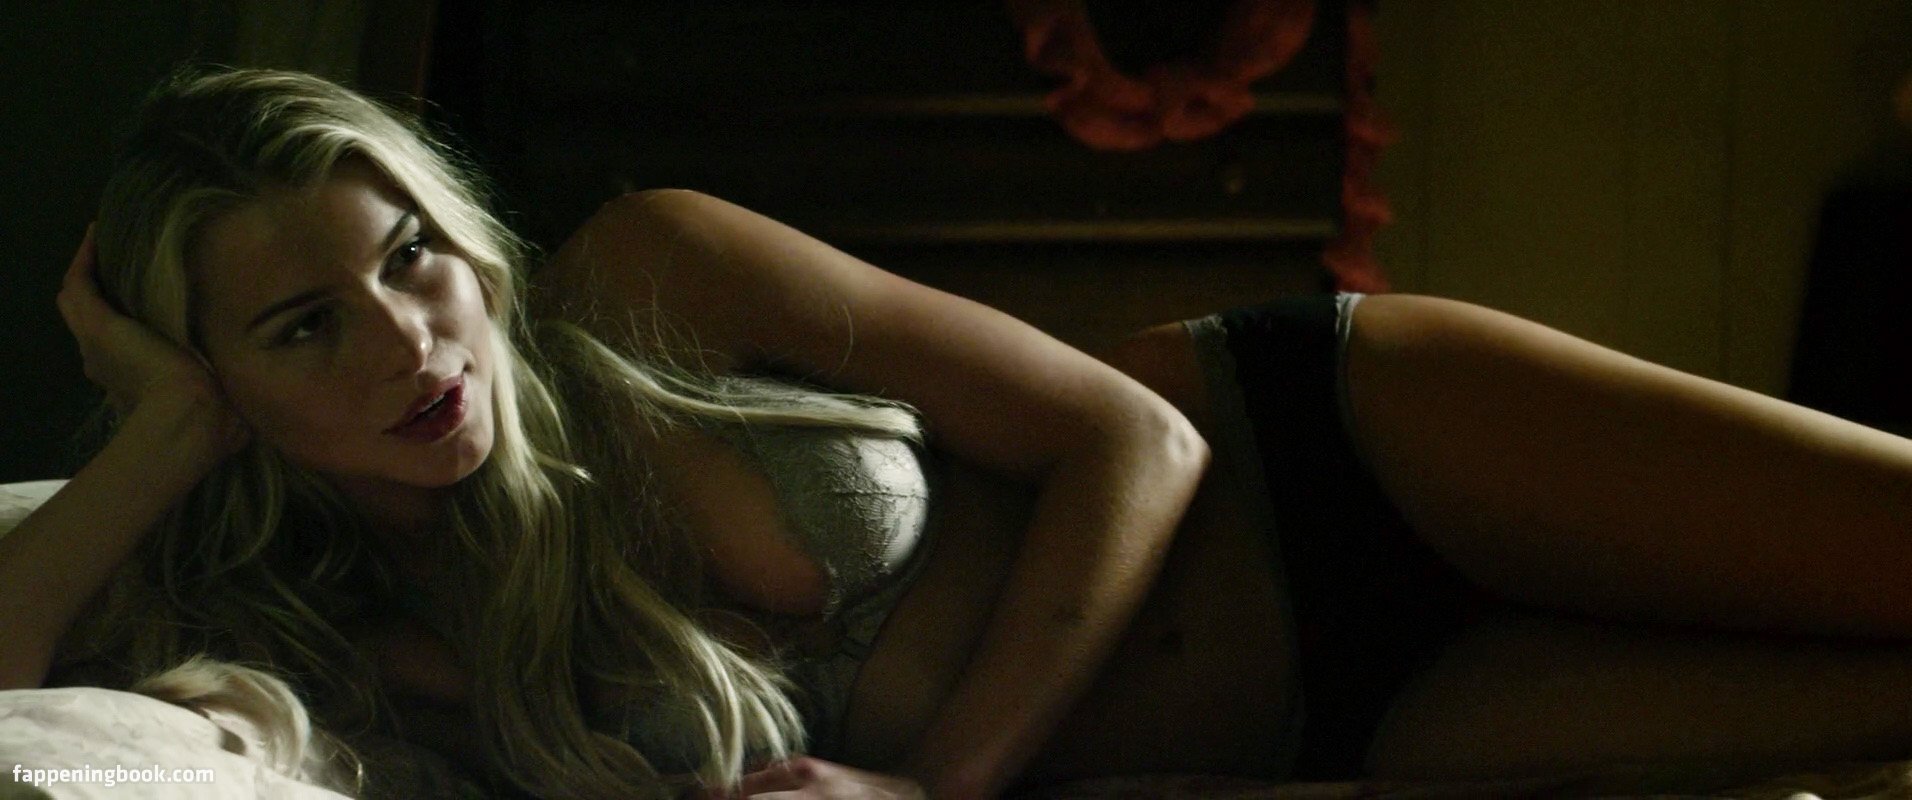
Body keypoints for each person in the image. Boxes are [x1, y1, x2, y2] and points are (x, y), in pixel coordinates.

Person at [8, 65, 1912, 800]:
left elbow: (1135, 443)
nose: (411, 342)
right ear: (221, 384)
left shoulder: (647, 274)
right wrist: (163, 431)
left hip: (1338, 445)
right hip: (1330, 727)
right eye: (302, 330)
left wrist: (940, 793)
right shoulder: (346, 643)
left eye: (412, 256)